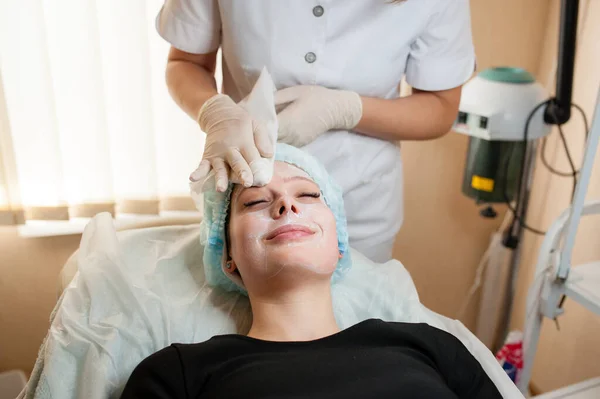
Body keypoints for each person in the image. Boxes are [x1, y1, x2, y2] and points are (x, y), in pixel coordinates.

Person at [120, 144, 501, 398]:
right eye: (254, 200)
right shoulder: (180, 374)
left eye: (308, 194)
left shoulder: (427, 345)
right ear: (228, 256)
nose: (287, 203)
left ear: (340, 244)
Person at [155, 0, 476, 263]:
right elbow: (186, 62)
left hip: (359, 205)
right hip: (251, 195)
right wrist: (215, 112)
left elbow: (439, 106)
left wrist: (347, 109)